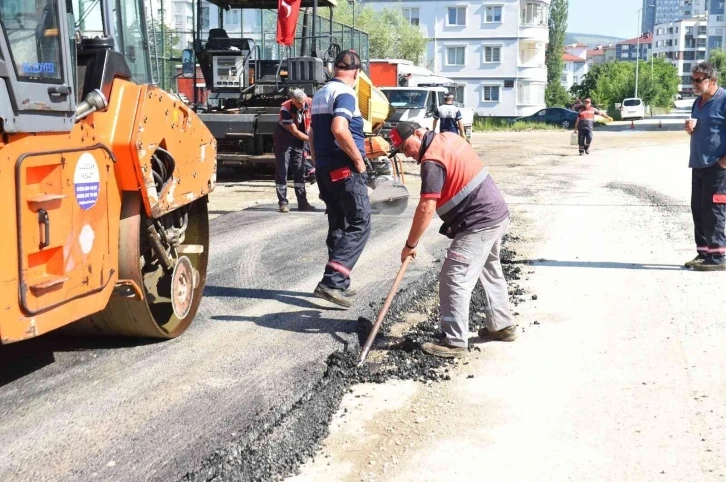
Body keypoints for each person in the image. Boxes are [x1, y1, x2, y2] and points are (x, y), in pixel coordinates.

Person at [390, 121, 518, 358]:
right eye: (400, 151)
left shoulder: (431, 160)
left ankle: (454, 341)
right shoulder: (449, 137)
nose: (406, 154)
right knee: (489, 269)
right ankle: (502, 326)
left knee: (454, 276)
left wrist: (410, 245)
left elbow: (427, 207)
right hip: (496, 213)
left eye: (405, 146)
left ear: (419, 133)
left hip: (479, 221)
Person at [308, 50, 371, 308]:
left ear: (334, 69)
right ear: (356, 72)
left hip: (325, 169)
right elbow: (339, 128)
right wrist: (358, 161)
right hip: (344, 168)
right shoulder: (346, 94)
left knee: (339, 223)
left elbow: (312, 135)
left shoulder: (321, 94)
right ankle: (332, 282)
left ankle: (338, 284)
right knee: (360, 222)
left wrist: (317, 162)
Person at [684, 61, 726, 271]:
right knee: (698, 209)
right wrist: (691, 130)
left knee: (714, 210)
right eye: (693, 80)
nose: (694, 84)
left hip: (717, 167)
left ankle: (718, 257)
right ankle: (703, 253)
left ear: (712, 80)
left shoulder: (724, 99)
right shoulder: (698, 102)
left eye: (699, 80)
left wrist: (723, 164)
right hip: (698, 164)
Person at [274, 88, 316, 213]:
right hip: (284, 139)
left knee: (300, 170)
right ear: (292, 100)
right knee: (282, 170)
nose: (301, 105)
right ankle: (283, 203)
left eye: (302, 102)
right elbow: (294, 131)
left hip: (300, 139)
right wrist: (312, 141)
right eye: (298, 103)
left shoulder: (311, 103)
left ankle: (303, 203)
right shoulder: (285, 109)